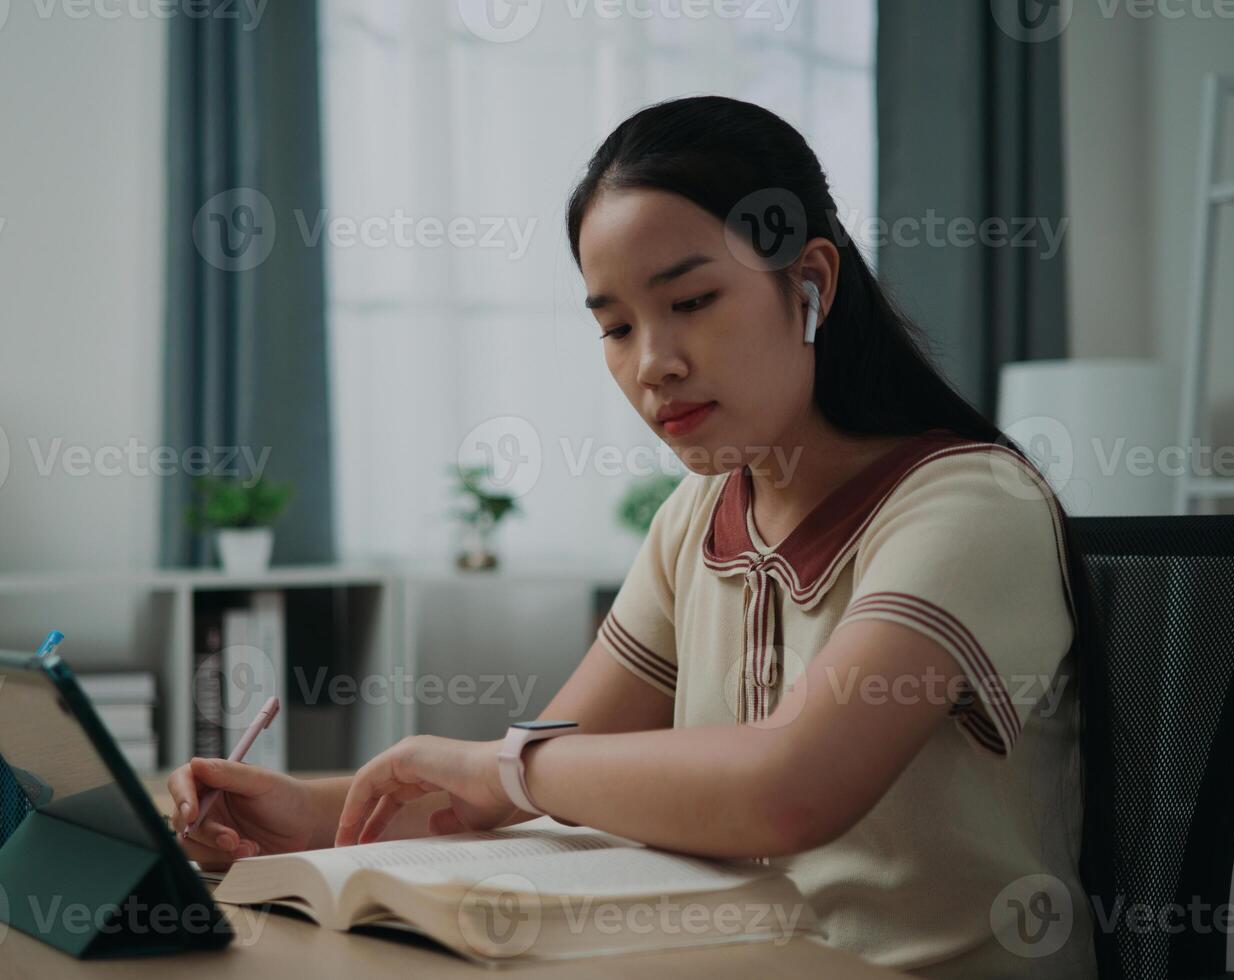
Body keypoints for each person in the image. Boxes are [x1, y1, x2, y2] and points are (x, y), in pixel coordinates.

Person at [169, 95, 1095, 977]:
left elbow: (786, 788)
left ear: (808, 284)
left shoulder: (967, 505)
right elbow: (542, 774)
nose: (652, 363)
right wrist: (300, 817)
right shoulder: (695, 520)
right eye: (614, 325)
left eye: (690, 302)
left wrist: (506, 768)